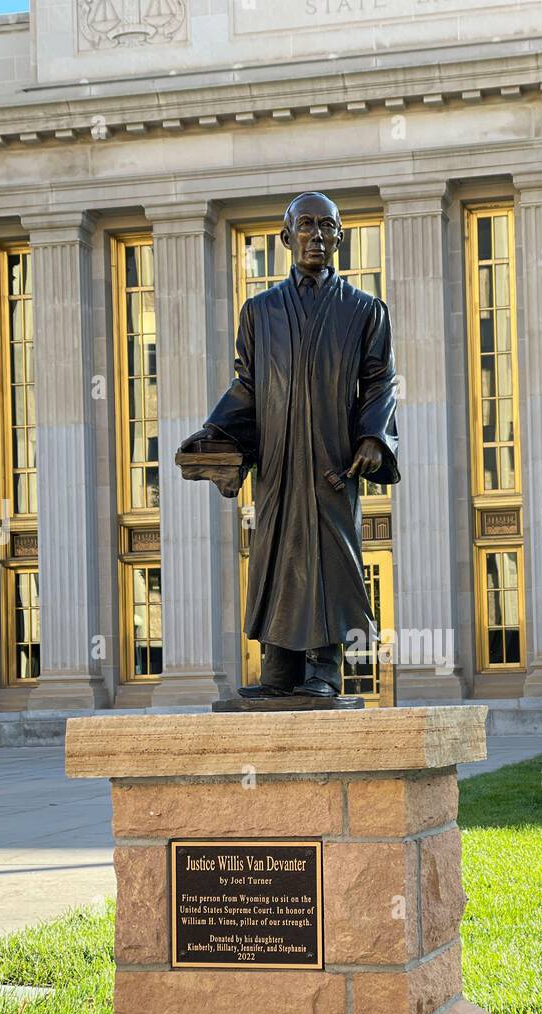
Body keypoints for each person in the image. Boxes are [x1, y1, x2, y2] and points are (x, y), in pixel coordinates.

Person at [178, 190, 399, 698]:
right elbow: (247, 386)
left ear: (340, 238)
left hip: (332, 460)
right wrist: (218, 434)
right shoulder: (260, 311)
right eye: (305, 226)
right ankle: (278, 672)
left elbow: (380, 380)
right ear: (285, 237)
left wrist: (372, 436)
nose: (315, 236)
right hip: (277, 463)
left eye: (326, 227)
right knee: (275, 557)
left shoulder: (364, 310)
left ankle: (324, 672)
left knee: (330, 560)